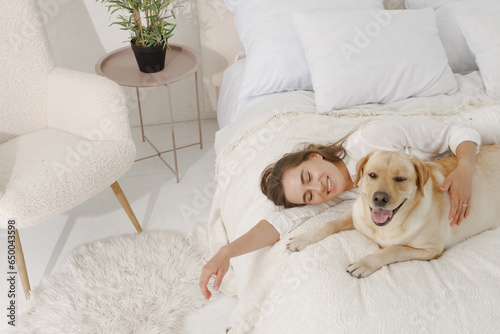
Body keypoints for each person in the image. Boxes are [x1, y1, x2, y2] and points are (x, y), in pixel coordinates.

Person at [199, 115, 482, 300]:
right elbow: (277, 226)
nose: (318, 188)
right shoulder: (331, 198)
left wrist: (466, 169)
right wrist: (226, 252)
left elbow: (458, 131)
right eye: (309, 196)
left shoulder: (372, 138)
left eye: (308, 176)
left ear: (314, 156)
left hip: (474, 139)